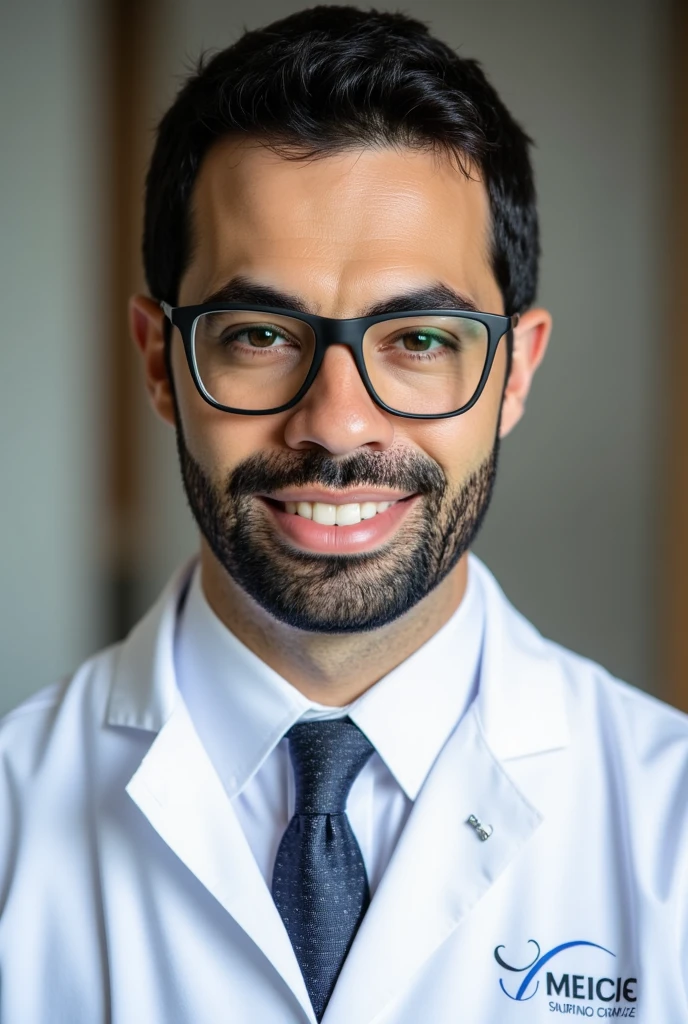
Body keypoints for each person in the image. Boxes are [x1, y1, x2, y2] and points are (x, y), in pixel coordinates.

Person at [1, 5, 686, 1021]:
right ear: (159, 360)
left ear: (512, 371)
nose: (334, 423)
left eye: (416, 339)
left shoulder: (669, 831)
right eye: (260, 334)